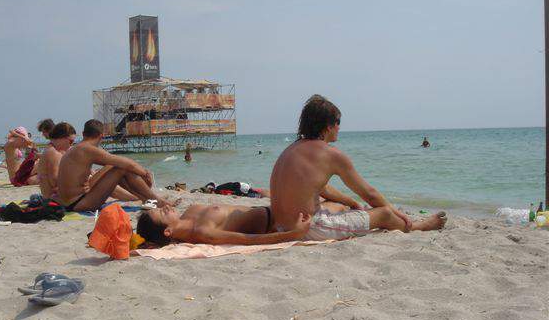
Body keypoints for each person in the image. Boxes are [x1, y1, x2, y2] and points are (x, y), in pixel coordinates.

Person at [270, 95, 447, 241]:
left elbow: (321, 188)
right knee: (384, 213)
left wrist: (352, 203)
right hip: (307, 229)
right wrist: (398, 214)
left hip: (281, 225)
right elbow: (369, 194)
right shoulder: (330, 154)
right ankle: (417, 226)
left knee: (338, 206)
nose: (339, 127)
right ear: (328, 126)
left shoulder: (291, 149)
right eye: (338, 122)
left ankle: (356, 213)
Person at [57, 119, 171, 212]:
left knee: (115, 166)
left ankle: (146, 199)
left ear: (83, 134)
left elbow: (114, 161)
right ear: (101, 136)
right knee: (121, 168)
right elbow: (127, 164)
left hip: (72, 202)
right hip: (78, 203)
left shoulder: (78, 148)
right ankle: (156, 200)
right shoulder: (87, 149)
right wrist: (145, 173)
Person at [137, 203, 309, 246]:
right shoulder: (203, 232)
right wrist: (293, 234)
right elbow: (249, 239)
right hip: (277, 221)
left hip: (275, 208)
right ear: (168, 231)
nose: (166, 207)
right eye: (163, 213)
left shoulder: (189, 212)